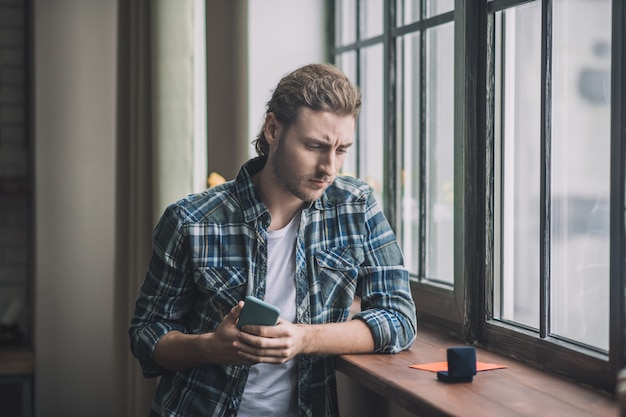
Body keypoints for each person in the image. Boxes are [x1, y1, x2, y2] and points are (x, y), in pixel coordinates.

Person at [129, 63, 417, 417]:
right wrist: (210, 347)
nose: (330, 168)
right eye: (314, 146)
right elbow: (146, 336)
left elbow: (399, 318)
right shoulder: (191, 221)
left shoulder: (356, 207)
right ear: (272, 129)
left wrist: (303, 339)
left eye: (341, 149)